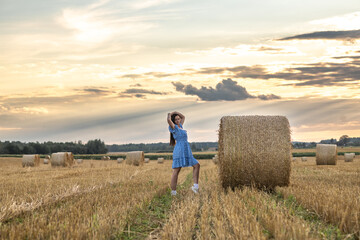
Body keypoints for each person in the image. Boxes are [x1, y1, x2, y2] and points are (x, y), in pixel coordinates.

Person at [167, 111, 200, 196]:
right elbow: (169, 120)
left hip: (186, 149)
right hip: (179, 150)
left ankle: (195, 187)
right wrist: (170, 115)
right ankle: (173, 192)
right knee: (176, 171)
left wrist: (176, 112)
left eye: (178, 119)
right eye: (176, 119)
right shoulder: (174, 127)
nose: (178, 120)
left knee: (197, 165)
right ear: (173, 121)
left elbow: (183, 117)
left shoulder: (180, 126)